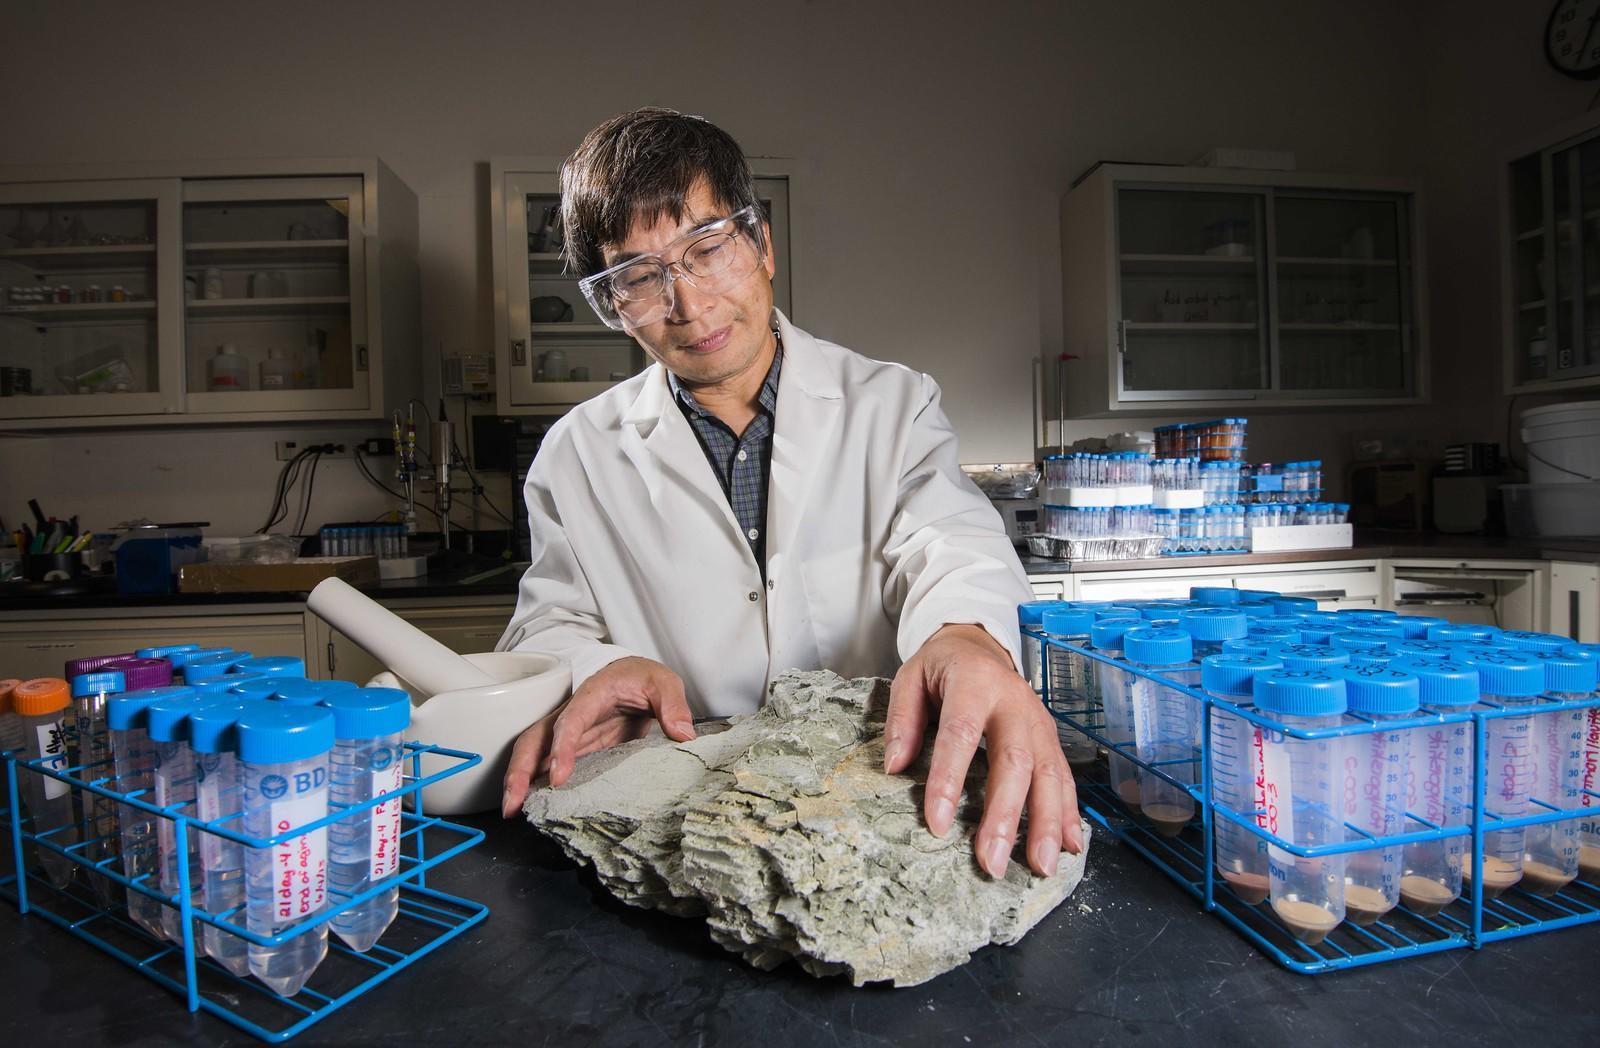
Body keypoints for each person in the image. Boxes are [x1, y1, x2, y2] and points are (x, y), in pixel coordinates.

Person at [498, 107, 1081, 878]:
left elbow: (950, 541)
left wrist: (966, 638)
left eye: (707, 248)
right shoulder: (577, 452)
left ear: (761, 241)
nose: (688, 302)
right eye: (639, 277)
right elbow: (549, 624)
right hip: (683, 821)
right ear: (611, 305)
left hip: (868, 808)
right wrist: (590, 666)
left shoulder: (889, 402)